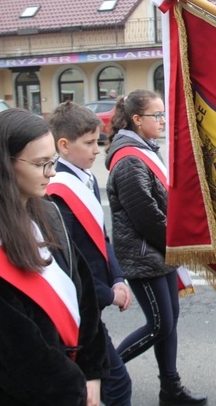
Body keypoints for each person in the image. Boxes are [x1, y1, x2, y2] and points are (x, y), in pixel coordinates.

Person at [0, 108, 109, 406]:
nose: (52, 172)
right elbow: (16, 353)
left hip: (71, 379)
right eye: (41, 164)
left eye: (52, 161)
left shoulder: (45, 210)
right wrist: (77, 389)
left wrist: (92, 370)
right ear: (4, 164)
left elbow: (83, 290)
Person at [106, 89, 207, 406]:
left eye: (163, 114)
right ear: (137, 120)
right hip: (142, 255)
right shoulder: (129, 160)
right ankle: (103, 372)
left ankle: (170, 389)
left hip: (158, 252)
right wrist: (181, 245)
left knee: (169, 320)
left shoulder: (145, 149)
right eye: (157, 115)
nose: (163, 120)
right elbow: (147, 217)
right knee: (160, 324)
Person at [47, 100, 134, 406]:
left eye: (98, 141)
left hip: (94, 296)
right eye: (89, 143)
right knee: (116, 385)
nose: (97, 150)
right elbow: (68, 261)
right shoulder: (56, 191)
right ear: (63, 145)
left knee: (104, 384)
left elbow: (100, 236)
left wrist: (119, 278)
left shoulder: (87, 178)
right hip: (81, 302)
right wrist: (106, 294)